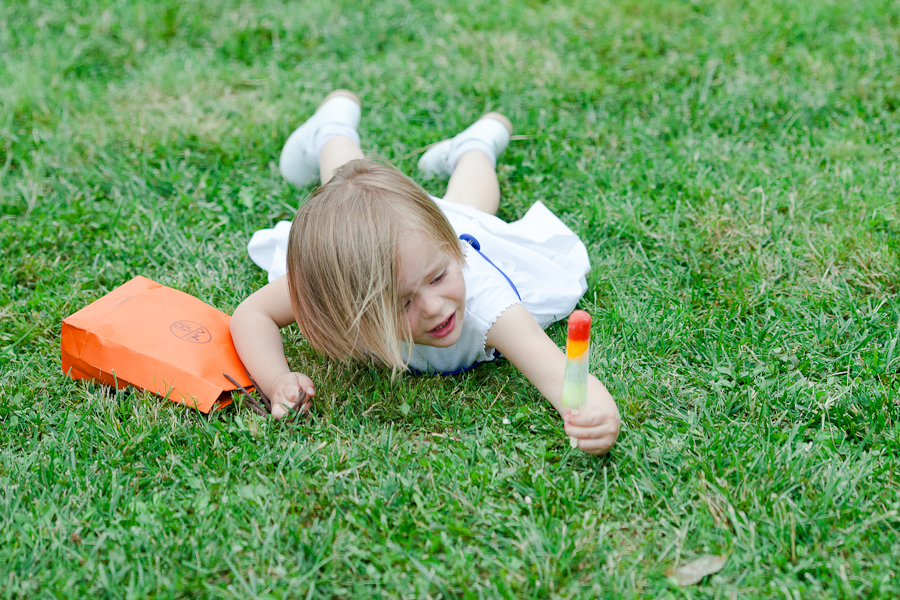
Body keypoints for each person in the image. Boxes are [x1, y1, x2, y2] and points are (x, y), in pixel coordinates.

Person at [230, 90, 621, 455]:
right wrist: (276, 380)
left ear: (452, 249)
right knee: (345, 185)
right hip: (386, 246)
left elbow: (560, 375)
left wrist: (600, 418)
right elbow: (252, 315)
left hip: (454, 232)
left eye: (438, 278)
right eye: (402, 302)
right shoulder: (337, 283)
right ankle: (330, 126)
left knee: (472, 206)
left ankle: (475, 147)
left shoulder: (488, 305)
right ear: (351, 307)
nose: (435, 307)